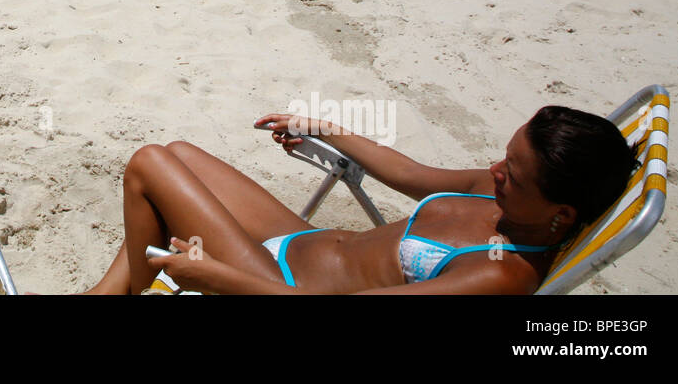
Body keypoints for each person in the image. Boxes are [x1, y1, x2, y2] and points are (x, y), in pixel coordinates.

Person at [86, 104, 634, 294]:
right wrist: (321, 127)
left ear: (560, 215)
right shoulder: (498, 198)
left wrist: (215, 277)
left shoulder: (499, 275)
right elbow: (409, 173)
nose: (495, 172)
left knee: (149, 165)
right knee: (179, 153)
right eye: (503, 157)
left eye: (513, 174)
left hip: (278, 286)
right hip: (301, 243)